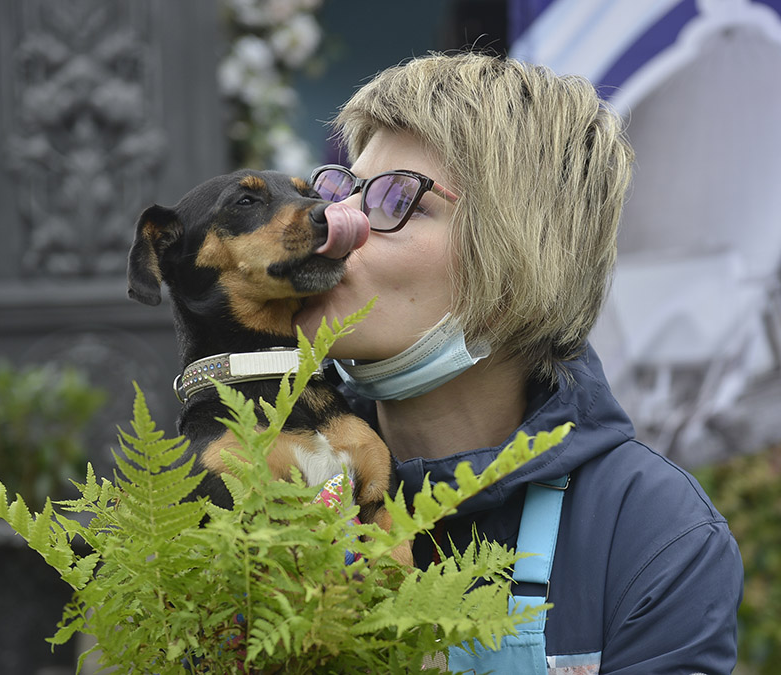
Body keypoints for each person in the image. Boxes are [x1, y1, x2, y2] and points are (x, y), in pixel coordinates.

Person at [294, 52, 742, 674]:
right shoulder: (271, 479)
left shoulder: (652, 532)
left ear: (517, 268)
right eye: (341, 190)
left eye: (397, 200)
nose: (333, 227)